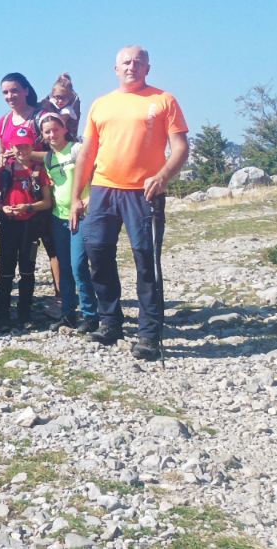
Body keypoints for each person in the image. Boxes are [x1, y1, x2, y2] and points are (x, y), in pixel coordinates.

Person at [73, 46, 188, 360]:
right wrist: (76, 197)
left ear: (148, 68)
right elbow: (87, 153)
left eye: (138, 62)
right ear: (116, 68)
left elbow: (180, 147)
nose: (131, 66)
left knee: (146, 260)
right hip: (104, 189)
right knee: (97, 253)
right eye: (126, 62)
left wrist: (162, 177)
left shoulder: (163, 100)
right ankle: (110, 322)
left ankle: (149, 335)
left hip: (144, 192)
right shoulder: (101, 104)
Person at [39, 113, 96, 331]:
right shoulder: (48, 159)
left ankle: (90, 316)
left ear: (65, 129)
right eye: (47, 132)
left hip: (81, 215)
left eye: (56, 129)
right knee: (64, 268)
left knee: (78, 265)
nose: (52, 134)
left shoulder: (77, 149)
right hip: (59, 217)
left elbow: (97, 174)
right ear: (42, 135)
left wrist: (88, 200)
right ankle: (68, 314)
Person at [0, 138, 53, 330]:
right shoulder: (4, 171)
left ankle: (24, 313)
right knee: (6, 269)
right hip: (9, 224)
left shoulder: (38, 171)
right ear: (11, 148)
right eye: (18, 147)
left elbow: (47, 202)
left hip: (31, 226)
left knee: (27, 269)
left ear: (32, 147)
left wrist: (29, 207)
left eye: (26, 146)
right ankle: (2, 313)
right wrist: (3, 208)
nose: (22, 150)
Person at [39, 73, 83, 141]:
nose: (60, 101)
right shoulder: (46, 104)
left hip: (64, 140)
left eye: (64, 98)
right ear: (52, 95)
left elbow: (60, 124)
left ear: (70, 97)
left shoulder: (68, 111)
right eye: (57, 97)